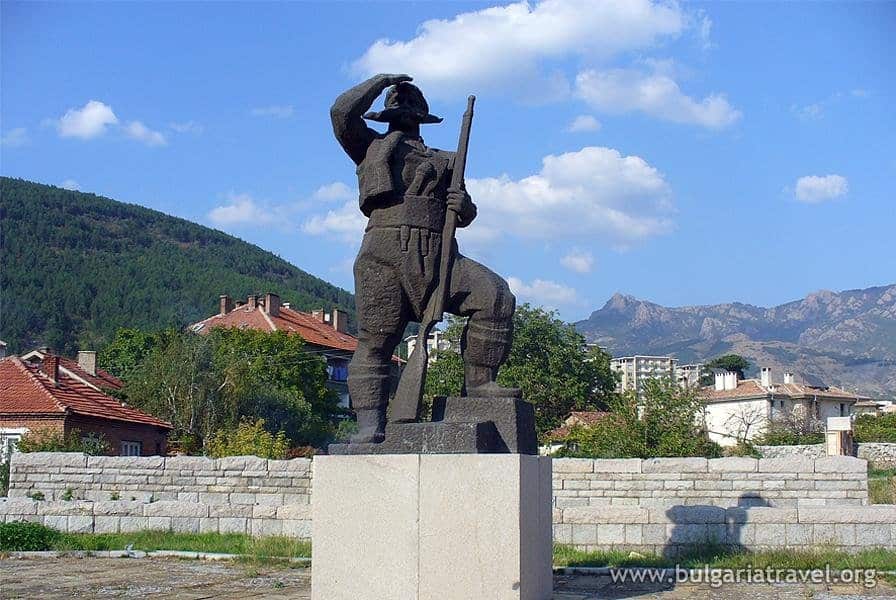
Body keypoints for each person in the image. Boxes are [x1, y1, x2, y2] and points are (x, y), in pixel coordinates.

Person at [331, 73, 519, 444]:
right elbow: (340, 113)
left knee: (495, 296)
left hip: (440, 252)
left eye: (407, 110)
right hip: (384, 250)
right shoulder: (368, 147)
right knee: (376, 339)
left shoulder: (448, 160)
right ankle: (370, 424)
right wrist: (379, 80)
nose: (403, 117)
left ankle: (480, 384)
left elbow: (465, 211)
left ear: (420, 118)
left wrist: (464, 207)